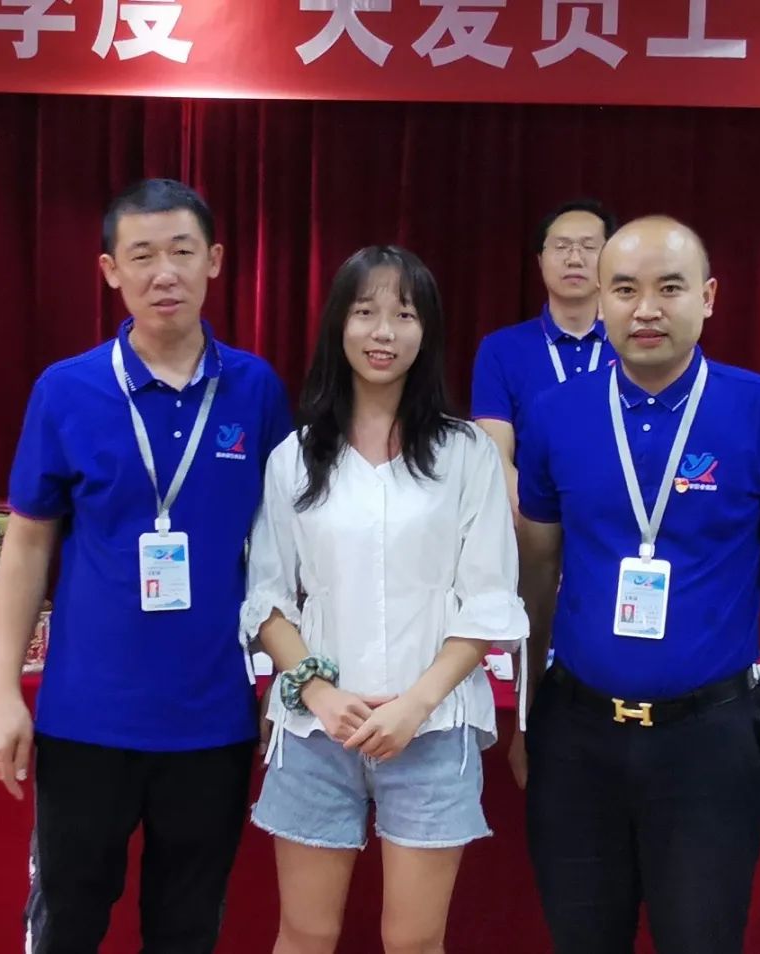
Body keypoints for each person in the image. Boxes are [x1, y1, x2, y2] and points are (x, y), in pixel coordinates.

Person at [0, 179, 292, 953]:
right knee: (68, 922)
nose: (165, 274)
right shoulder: (67, 389)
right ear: (110, 270)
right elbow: (27, 544)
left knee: (186, 927)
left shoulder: (255, 389)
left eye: (183, 252)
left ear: (214, 260)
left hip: (213, 716)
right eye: (143, 255)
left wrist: (285, 678)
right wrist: (2, 694)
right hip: (87, 715)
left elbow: (285, 546)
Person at [516, 216, 760, 954]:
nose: (646, 309)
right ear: (601, 299)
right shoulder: (557, 414)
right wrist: (529, 717)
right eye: (625, 290)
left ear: (709, 297)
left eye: (669, 288)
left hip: (708, 740)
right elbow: (536, 574)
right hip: (577, 734)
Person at [242, 246, 527, 954]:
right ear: (338, 324)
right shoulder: (295, 457)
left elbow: (488, 601)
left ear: (426, 330)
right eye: (365, 312)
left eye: (404, 315)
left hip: (432, 728)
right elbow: (267, 598)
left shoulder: (466, 454)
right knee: (305, 932)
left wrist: (414, 706)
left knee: (413, 940)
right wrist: (317, 692)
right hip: (317, 731)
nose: (383, 332)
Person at [471, 198, 617, 516]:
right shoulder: (500, 349)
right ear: (540, 260)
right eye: (561, 246)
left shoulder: (633, 345)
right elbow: (495, 457)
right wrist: (538, 528)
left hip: (618, 527)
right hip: (526, 522)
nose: (574, 258)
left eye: (589, 247)